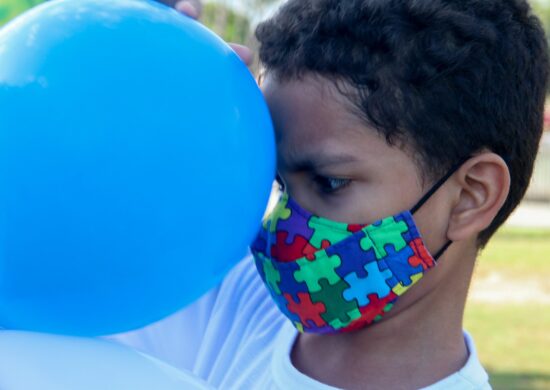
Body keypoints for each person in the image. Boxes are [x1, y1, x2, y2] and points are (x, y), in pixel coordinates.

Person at [107, 1, 549, 389]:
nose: (282, 229)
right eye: (279, 183)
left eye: (329, 183)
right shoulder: (231, 297)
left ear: (472, 195)